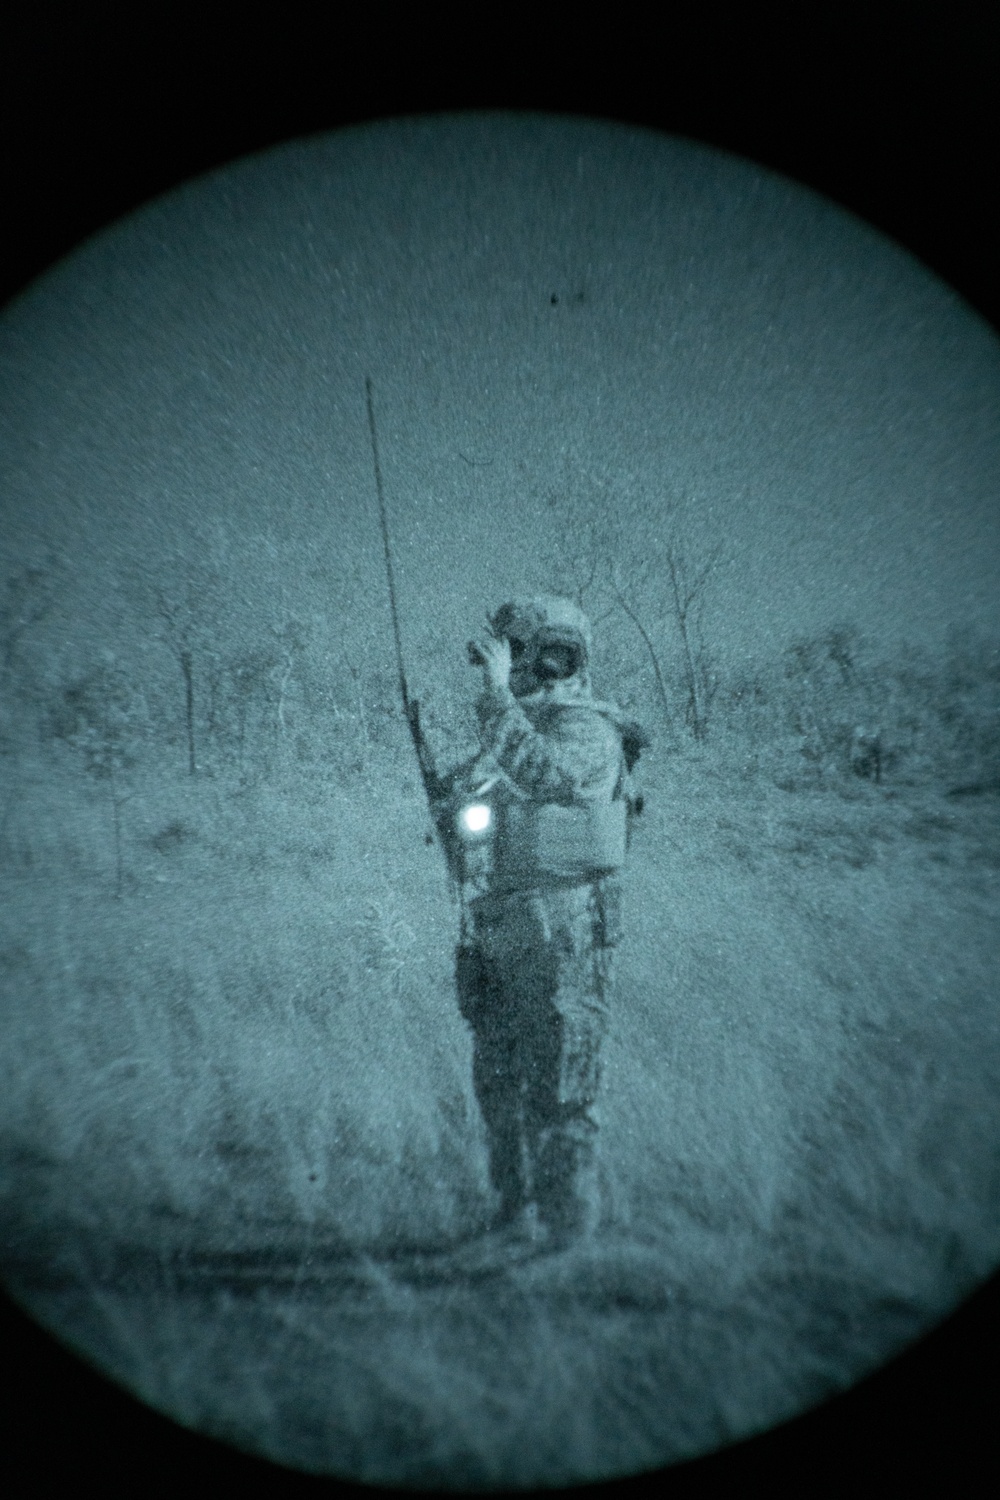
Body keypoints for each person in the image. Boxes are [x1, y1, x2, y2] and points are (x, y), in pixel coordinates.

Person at [434, 596, 647, 1252]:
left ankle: (565, 1238)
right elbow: (470, 807)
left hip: (567, 932)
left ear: (550, 655)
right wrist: (449, 802)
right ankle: (512, 1213)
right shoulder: (519, 727)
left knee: (560, 1084)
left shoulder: (585, 728)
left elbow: (545, 775)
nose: (501, 666)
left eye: (513, 652)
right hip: (502, 924)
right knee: (498, 1076)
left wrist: (496, 696)